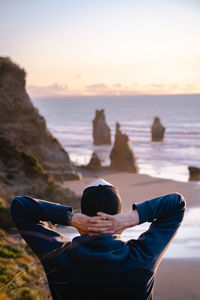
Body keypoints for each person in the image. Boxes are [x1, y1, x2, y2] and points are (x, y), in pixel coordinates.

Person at [10, 178, 186, 299]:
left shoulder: (58, 256)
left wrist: (71, 218)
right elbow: (176, 204)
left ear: (84, 218)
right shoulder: (142, 257)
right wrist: (131, 218)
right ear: (118, 216)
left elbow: (20, 208)